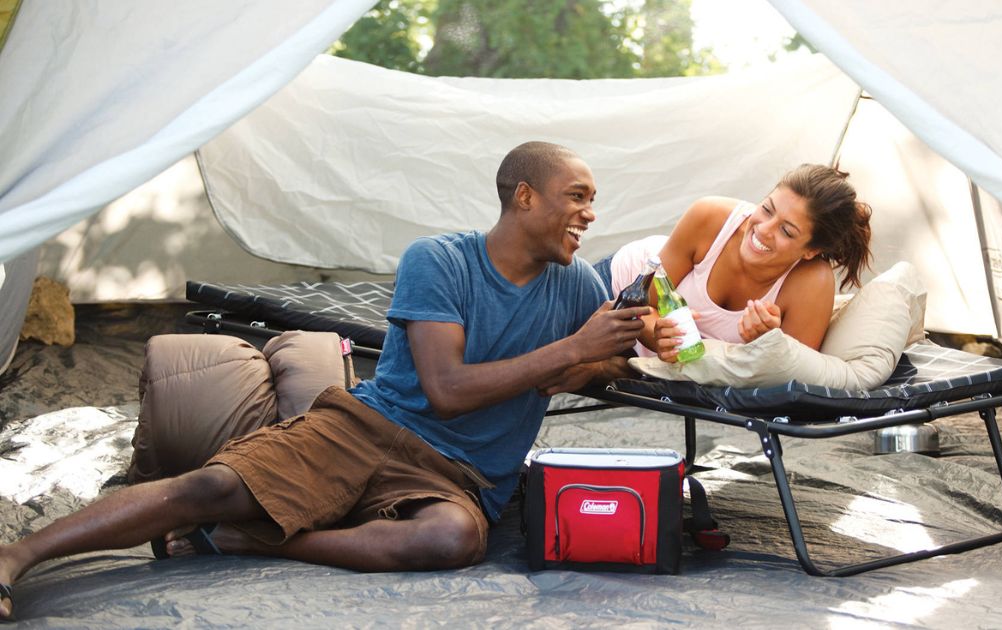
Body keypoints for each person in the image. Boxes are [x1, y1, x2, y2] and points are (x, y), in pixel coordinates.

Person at [0, 141, 650, 620]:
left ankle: (254, 541)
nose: (590, 215)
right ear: (524, 194)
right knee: (212, 484)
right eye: (579, 197)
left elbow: (605, 364)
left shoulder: (578, 287)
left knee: (451, 539)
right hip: (369, 430)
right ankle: (17, 555)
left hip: (463, 477)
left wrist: (615, 347)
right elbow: (446, 390)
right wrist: (569, 350)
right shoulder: (440, 260)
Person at [600, 164, 871, 360]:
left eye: (787, 231)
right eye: (766, 209)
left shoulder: (811, 283)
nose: (764, 229)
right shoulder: (710, 217)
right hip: (614, 290)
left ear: (810, 250)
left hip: (669, 363)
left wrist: (767, 343)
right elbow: (643, 307)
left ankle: (612, 366)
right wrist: (658, 336)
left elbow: (794, 377)